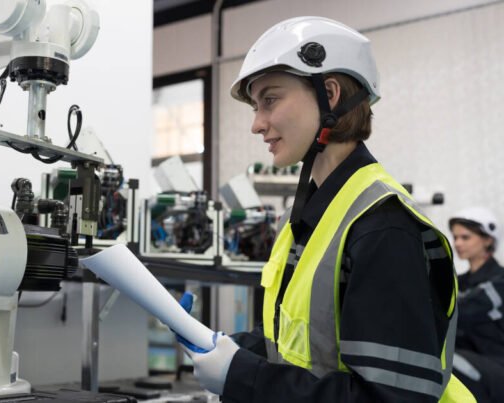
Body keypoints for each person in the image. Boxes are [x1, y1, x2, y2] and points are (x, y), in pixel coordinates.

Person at [176, 16, 474, 402]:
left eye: (270, 100)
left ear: (329, 94)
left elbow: (388, 398)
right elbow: (299, 346)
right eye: (255, 106)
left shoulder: (382, 227)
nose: (257, 124)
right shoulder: (308, 217)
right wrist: (228, 349)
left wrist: (246, 379)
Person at [448, 207, 504, 402]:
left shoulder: (499, 281)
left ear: (488, 239)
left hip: (496, 368)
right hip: (469, 363)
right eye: (455, 237)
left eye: (465, 237)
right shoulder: (459, 282)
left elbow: (462, 311)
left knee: (446, 362)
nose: (457, 243)